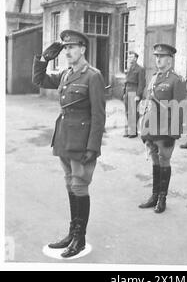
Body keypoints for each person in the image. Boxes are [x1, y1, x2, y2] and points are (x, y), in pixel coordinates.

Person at [32, 29, 106, 257]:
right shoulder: (66, 74)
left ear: (83, 49)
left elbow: (99, 115)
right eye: (65, 48)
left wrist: (93, 147)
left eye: (72, 47)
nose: (67, 52)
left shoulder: (92, 75)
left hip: (82, 142)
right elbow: (39, 80)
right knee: (69, 185)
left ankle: (80, 239)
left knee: (79, 186)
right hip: (64, 138)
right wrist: (43, 60)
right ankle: (72, 234)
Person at [139, 43, 186, 213]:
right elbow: (147, 104)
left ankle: (162, 199)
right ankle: (154, 195)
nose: (158, 59)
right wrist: (144, 128)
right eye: (156, 56)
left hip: (165, 130)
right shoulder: (154, 78)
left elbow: (179, 109)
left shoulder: (176, 80)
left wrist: (173, 134)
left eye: (161, 56)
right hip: (151, 127)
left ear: (169, 59)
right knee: (154, 161)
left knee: (164, 161)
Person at [123, 51, 146, 138]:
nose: (130, 59)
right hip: (128, 90)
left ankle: (133, 131)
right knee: (127, 112)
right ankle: (129, 130)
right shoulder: (129, 68)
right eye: (129, 57)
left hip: (134, 90)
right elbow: (126, 82)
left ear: (136, 58)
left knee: (133, 112)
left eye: (132, 57)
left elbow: (142, 83)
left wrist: (138, 95)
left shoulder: (140, 69)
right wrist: (124, 93)